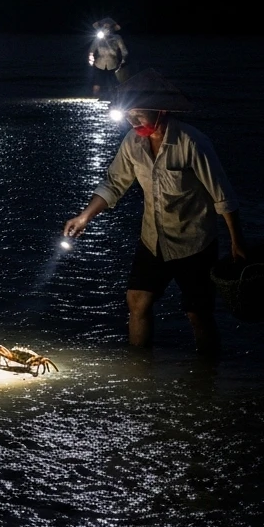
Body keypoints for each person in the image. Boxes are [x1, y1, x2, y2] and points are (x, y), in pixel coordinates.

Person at [62, 70, 246, 353]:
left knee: (198, 314)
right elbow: (114, 183)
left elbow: (223, 197)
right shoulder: (132, 143)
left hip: (194, 242)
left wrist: (237, 242)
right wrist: (85, 216)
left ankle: (208, 378)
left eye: (138, 115)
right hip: (153, 239)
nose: (132, 121)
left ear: (160, 110)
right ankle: (139, 371)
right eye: (128, 115)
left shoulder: (192, 142)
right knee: (137, 301)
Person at [87, 17, 129, 97]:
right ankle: (95, 97)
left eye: (108, 26)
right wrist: (91, 60)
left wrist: (123, 61)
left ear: (112, 28)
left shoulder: (117, 38)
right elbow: (91, 50)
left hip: (113, 64)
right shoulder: (98, 38)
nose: (106, 28)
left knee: (113, 83)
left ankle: (114, 98)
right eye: (104, 26)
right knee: (97, 83)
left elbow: (124, 51)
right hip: (99, 64)